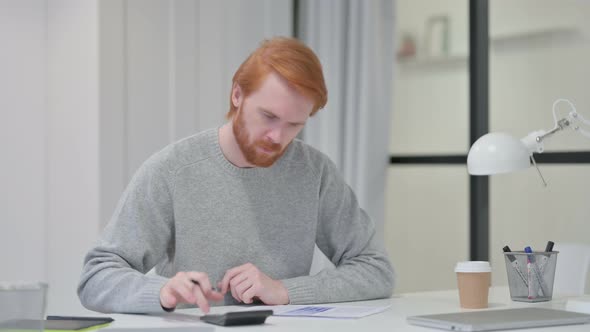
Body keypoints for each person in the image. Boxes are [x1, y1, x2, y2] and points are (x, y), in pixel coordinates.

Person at [78, 37, 394, 314]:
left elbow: (375, 270)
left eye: (294, 125)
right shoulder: (172, 170)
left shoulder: (315, 172)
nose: (277, 137)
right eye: (268, 116)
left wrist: (284, 291)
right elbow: (96, 277)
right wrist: (160, 293)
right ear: (237, 95)